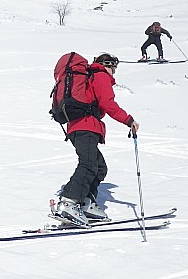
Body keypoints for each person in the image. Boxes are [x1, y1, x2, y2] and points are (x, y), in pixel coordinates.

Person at [54, 53, 140, 227]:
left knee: (99, 167)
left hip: (78, 126)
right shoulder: (100, 75)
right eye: (113, 68)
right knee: (88, 165)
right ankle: (69, 202)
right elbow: (107, 104)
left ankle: (86, 202)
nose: (113, 72)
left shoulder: (90, 76)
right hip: (86, 126)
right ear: (107, 65)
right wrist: (128, 120)